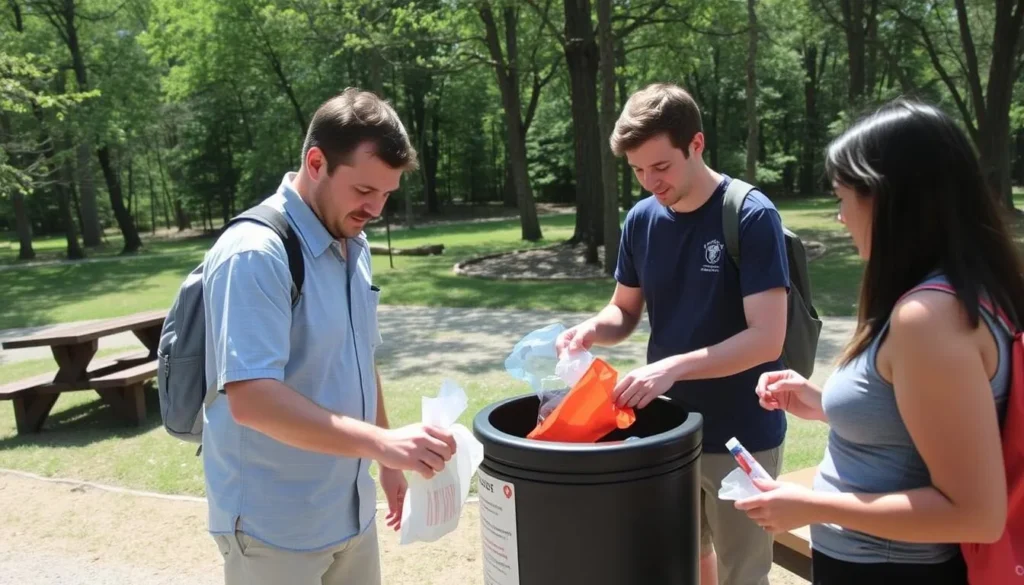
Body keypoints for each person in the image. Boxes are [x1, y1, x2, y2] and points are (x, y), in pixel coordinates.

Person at [734, 99, 1023, 585]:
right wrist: (824, 404)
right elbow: (922, 425)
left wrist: (806, 505)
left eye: (843, 197)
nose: (841, 217)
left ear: (890, 200)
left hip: (890, 569)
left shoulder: (928, 319)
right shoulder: (956, 292)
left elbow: (975, 513)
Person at [200, 88, 457, 585]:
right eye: (364, 191)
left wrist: (385, 465)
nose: (376, 209)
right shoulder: (256, 252)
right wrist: (383, 444)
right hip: (274, 527)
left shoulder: (350, 242)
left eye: (386, 193)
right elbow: (252, 400)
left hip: (349, 511)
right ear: (316, 163)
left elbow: (361, 354)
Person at [556, 82, 790, 585]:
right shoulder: (640, 220)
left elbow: (767, 338)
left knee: (742, 574)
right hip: (666, 431)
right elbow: (623, 311)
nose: (649, 183)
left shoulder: (750, 215)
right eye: (638, 170)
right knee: (682, 560)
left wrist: (673, 366)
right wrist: (590, 331)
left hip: (741, 433)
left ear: (697, 145)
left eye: (660, 167)